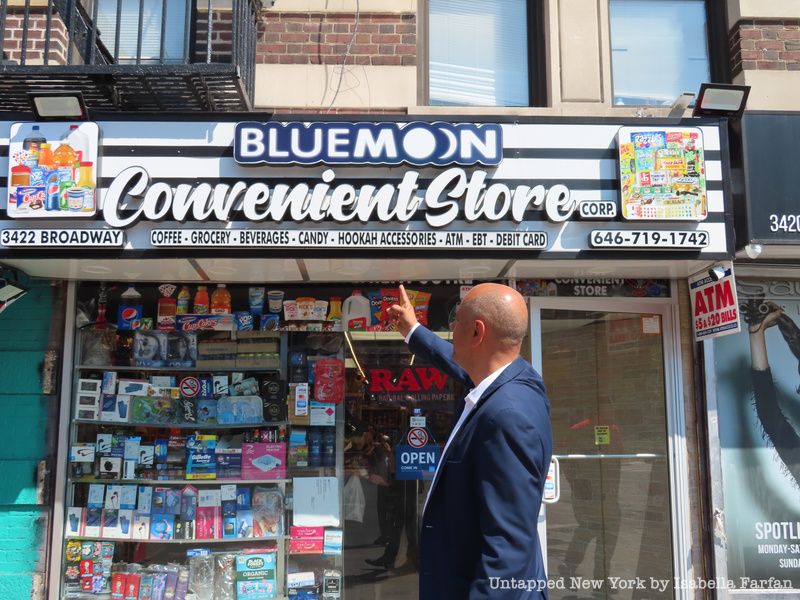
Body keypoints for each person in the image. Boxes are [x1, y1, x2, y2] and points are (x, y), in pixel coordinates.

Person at [388, 283, 553, 599]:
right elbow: (458, 364)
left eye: (457, 320)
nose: (451, 328)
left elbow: (506, 550)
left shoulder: (507, 417)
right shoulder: (518, 380)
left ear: (477, 332)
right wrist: (412, 331)